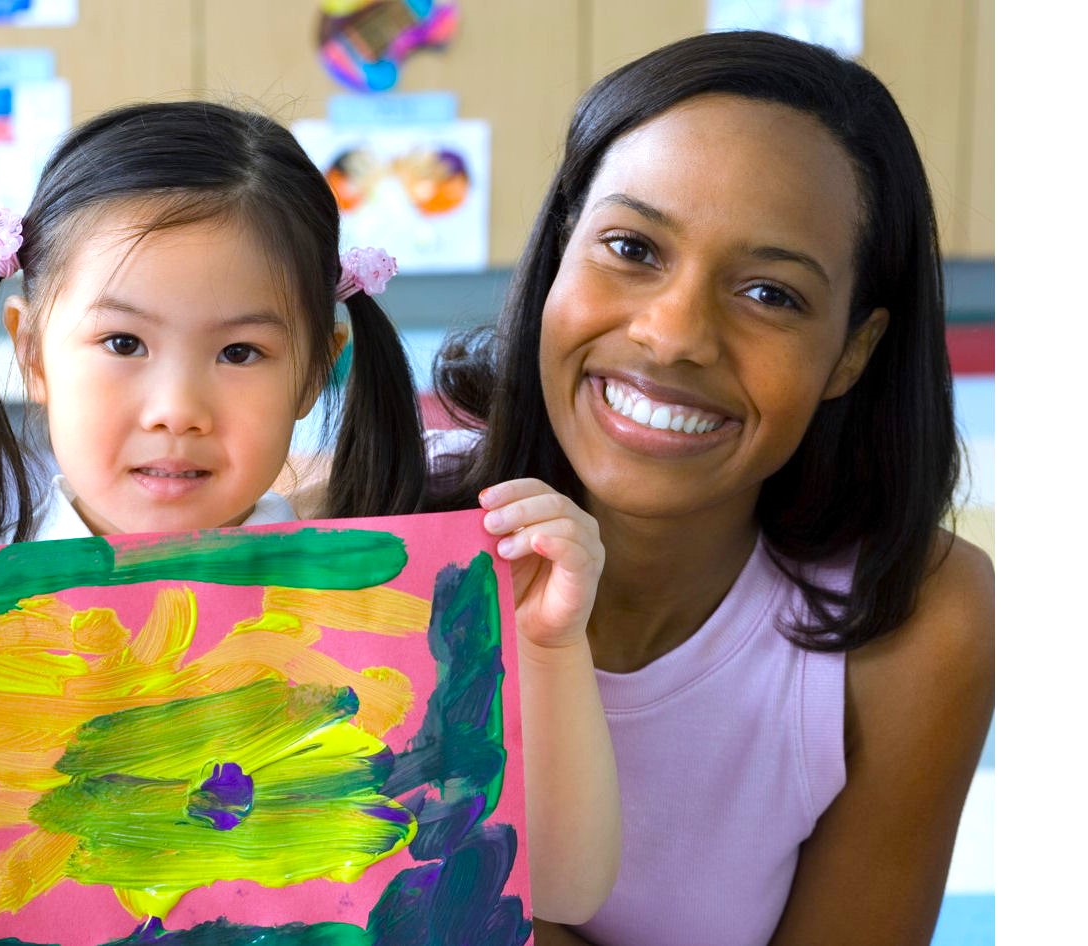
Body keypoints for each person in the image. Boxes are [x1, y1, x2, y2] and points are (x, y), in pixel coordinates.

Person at [0, 100, 619, 942]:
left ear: (315, 368)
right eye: (123, 343)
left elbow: (568, 890)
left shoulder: (403, 615)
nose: (177, 405)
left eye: (241, 351)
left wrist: (545, 648)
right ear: (30, 347)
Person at [426, 31, 995, 946]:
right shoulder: (377, 525)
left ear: (852, 349)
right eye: (630, 246)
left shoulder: (922, 622)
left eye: (770, 294)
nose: (674, 334)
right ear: (561, 249)